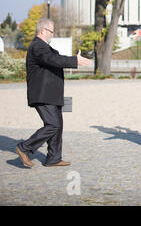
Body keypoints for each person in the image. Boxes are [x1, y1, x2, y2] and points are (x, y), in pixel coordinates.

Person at [15, 18, 92, 168]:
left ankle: (53, 158)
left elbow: (55, 59)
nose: (52, 34)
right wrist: (74, 61)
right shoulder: (38, 46)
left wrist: (73, 60)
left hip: (51, 94)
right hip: (42, 94)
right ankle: (24, 148)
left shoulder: (45, 47)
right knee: (53, 124)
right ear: (43, 31)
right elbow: (53, 60)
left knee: (58, 125)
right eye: (51, 31)